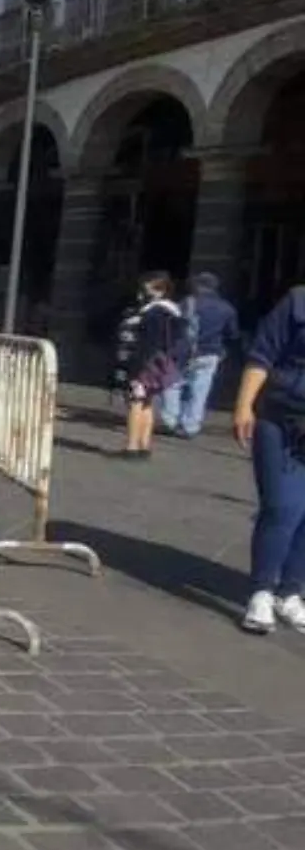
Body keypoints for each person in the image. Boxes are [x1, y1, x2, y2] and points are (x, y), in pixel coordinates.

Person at [233, 286, 305, 633]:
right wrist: (244, 404)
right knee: (282, 507)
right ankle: (261, 591)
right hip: (280, 419)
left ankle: (290, 592)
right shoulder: (298, 301)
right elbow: (263, 354)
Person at [113, 271, 185, 460]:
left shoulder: (153, 313)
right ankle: (145, 445)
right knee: (147, 402)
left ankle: (132, 446)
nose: (143, 292)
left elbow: (147, 342)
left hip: (145, 363)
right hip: (161, 362)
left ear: (159, 290)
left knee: (136, 402)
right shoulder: (172, 312)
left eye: (148, 287)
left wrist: (136, 366)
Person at [159, 271, 239, 439]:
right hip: (210, 353)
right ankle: (191, 426)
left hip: (181, 352)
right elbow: (232, 334)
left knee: (172, 385)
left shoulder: (186, 303)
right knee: (200, 390)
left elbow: (172, 326)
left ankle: (171, 420)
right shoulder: (227, 308)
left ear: (197, 286)